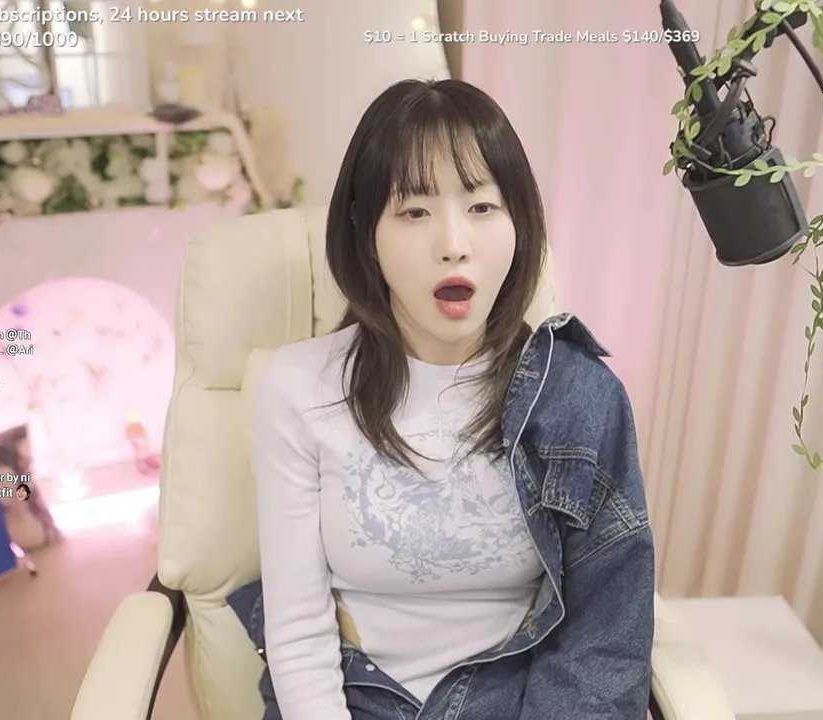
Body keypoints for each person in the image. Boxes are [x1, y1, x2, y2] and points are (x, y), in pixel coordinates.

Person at [226, 79, 655, 719]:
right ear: (365, 232)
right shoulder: (297, 388)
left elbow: (605, 640)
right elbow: (298, 632)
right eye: (414, 212)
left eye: (482, 206)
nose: (453, 243)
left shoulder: (579, 396)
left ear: (520, 224)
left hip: (513, 700)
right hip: (353, 695)